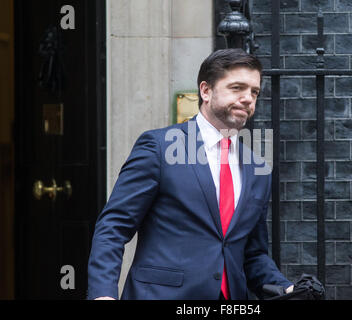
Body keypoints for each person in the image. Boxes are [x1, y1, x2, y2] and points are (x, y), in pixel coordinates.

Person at [87, 48, 294, 300]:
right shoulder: (159, 147)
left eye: (254, 92)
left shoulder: (258, 169)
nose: (248, 98)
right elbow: (114, 226)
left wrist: (286, 289)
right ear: (205, 91)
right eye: (237, 88)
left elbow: (252, 254)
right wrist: (102, 295)